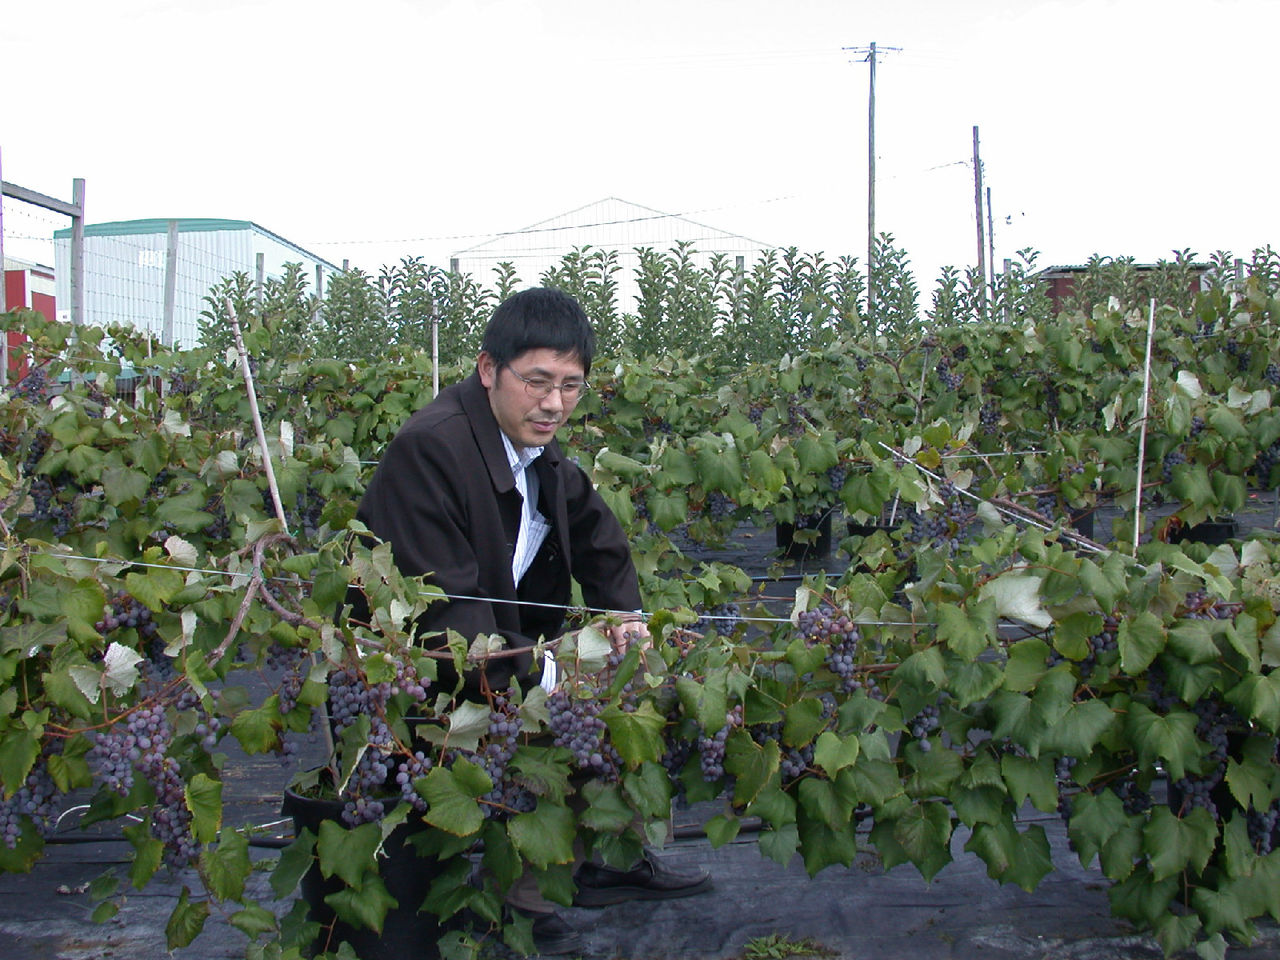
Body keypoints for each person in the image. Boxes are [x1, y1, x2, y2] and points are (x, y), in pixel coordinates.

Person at [355, 287, 710, 955]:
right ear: (490, 370)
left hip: (492, 645)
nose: (554, 403)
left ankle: (606, 854)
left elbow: (598, 533)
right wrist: (554, 673)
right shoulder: (430, 451)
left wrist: (625, 615)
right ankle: (520, 902)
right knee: (572, 705)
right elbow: (447, 621)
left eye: (571, 385)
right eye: (538, 381)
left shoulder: (533, 448)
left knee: (634, 679)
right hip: (421, 668)